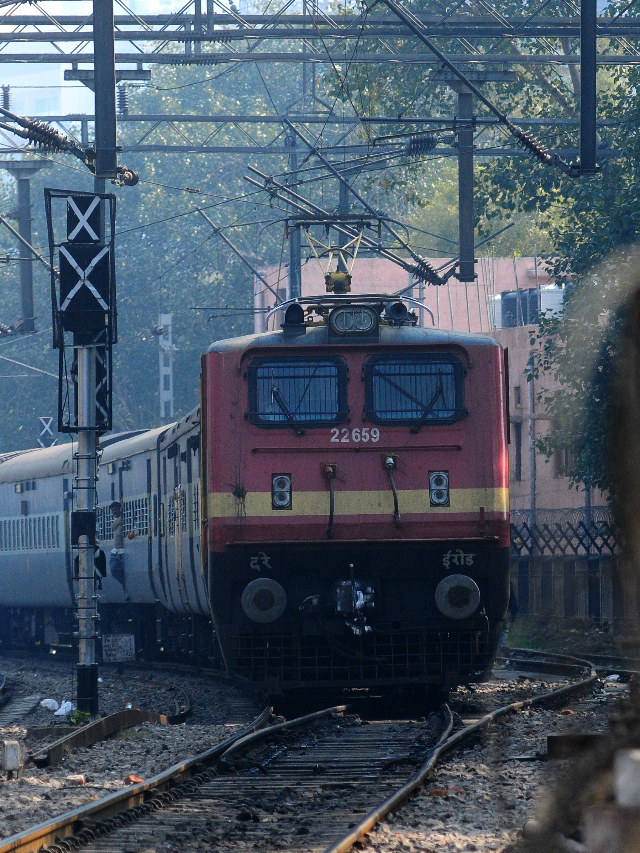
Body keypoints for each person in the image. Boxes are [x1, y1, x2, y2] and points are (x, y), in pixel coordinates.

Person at [109, 501, 127, 596]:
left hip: (122, 551)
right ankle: (125, 583)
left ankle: (126, 589)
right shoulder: (116, 522)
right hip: (116, 550)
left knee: (115, 568)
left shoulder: (122, 519)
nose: (114, 512)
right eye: (112, 510)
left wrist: (123, 508)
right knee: (113, 569)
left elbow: (123, 514)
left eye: (116, 509)